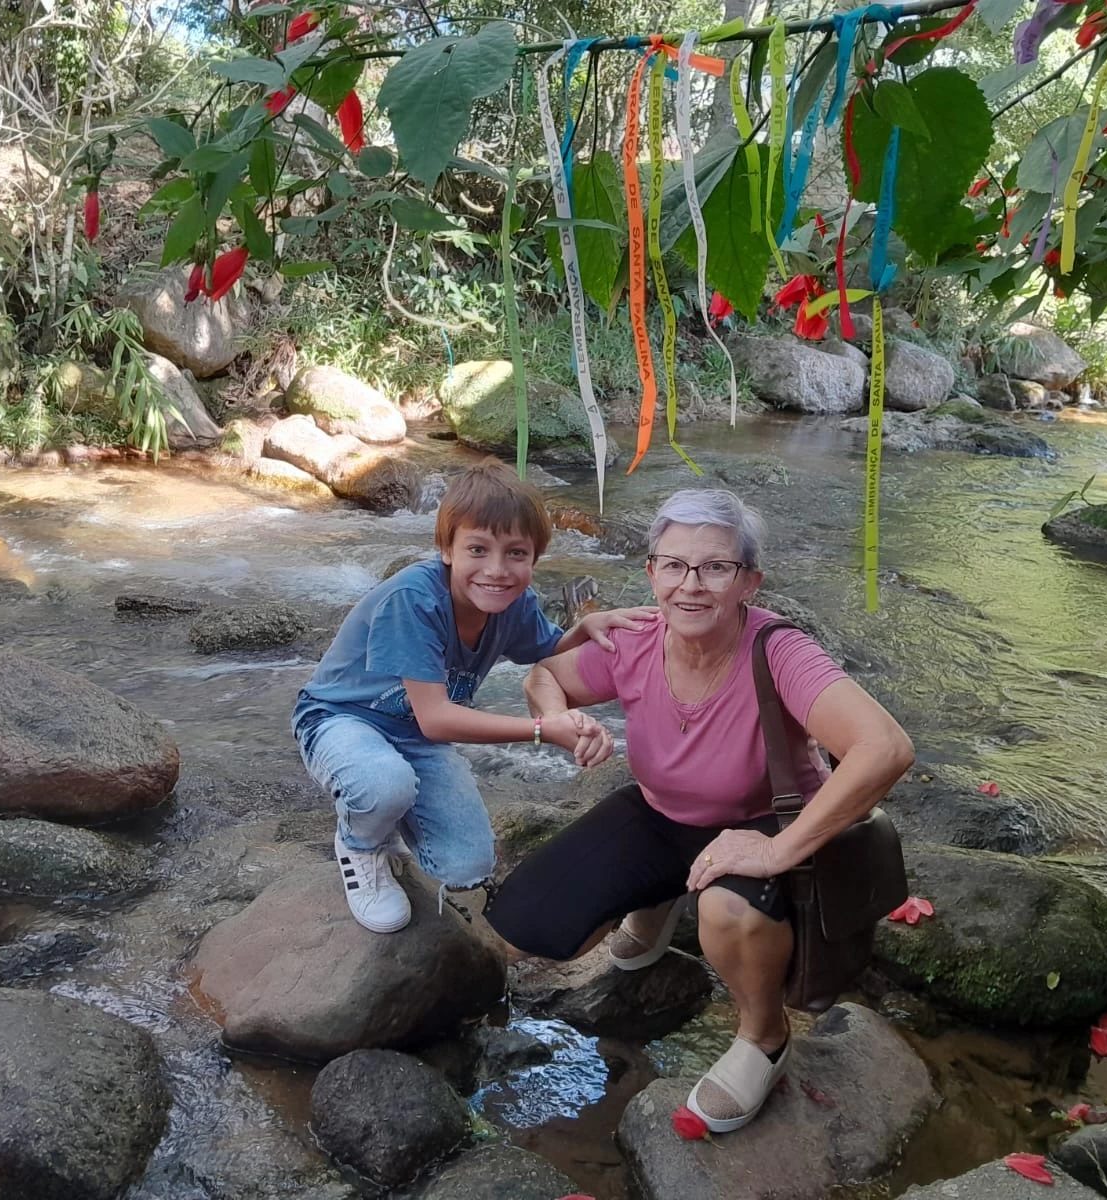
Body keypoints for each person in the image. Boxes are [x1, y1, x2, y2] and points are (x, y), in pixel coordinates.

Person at [484, 488, 914, 1133]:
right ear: (652, 572)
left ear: (749, 582)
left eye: (715, 567)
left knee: (727, 907)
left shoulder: (781, 653)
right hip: (662, 813)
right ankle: (655, 907)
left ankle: (762, 1037)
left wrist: (776, 849)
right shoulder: (631, 640)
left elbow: (885, 747)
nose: (692, 585)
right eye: (675, 565)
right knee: (527, 921)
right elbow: (545, 674)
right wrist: (556, 720)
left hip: (766, 818)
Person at [292, 460, 650, 934]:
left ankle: (386, 817)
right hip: (341, 721)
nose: (496, 571)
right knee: (382, 784)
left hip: (415, 737)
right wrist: (544, 729)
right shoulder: (414, 601)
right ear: (446, 548)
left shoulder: (513, 603)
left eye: (516, 554)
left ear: (535, 557)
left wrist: (584, 628)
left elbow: (547, 650)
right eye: (477, 549)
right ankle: (358, 843)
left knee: (466, 866)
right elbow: (438, 720)